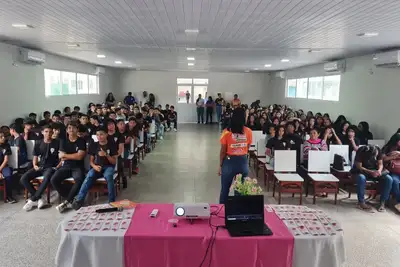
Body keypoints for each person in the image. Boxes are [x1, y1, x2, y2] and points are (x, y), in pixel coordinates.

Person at [72, 127, 118, 210]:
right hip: (97, 166)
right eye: (97, 135)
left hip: (109, 166)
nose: (99, 136)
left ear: (106, 134)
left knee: (109, 176)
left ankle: (112, 201)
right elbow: (91, 161)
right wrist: (94, 166)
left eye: (101, 134)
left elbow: (114, 162)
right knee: (89, 176)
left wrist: (106, 155)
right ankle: (79, 200)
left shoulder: (112, 144)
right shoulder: (94, 145)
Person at [21, 125, 61, 211]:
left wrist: (57, 166)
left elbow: (62, 157)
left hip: (51, 167)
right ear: (42, 132)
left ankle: (32, 200)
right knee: (23, 178)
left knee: (46, 178)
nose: (49, 134)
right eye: (46, 132)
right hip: (40, 166)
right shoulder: (38, 143)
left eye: (50, 132)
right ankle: (39, 198)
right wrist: (35, 165)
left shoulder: (57, 142)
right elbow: (35, 156)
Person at [51, 121, 86, 213]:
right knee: (54, 179)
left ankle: (66, 202)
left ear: (77, 129)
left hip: (77, 166)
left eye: (73, 128)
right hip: (65, 166)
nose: (71, 130)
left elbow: (80, 157)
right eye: (69, 128)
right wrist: (74, 155)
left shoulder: (81, 141)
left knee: (79, 180)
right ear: (66, 130)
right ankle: (70, 198)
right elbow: (60, 156)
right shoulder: (63, 141)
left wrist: (66, 155)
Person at [219, 108, 252, 204]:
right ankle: (238, 212)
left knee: (225, 190)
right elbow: (247, 147)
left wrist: (220, 165)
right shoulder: (249, 132)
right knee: (240, 190)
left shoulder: (226, 132)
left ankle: (222, 211)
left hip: (229, 161)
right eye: (246, 115)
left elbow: (223, 151)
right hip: (242, 162)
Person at [352, 145, 392, 212]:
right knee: (361, 178)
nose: (374, 158)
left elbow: (380, 163)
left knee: (389, 179)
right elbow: (359, 166)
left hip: (374, 171)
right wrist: (371, 172)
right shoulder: (361, 151)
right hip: (361, 171)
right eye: (373, 156)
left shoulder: (378, 149)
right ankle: (361, 202)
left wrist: (379, 171)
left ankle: (382, 202)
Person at [382, 134, 400, 212]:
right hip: (392, 171)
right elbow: (382, 159)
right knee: (395, 182)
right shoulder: (387, 148)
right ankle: (399, 202)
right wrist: (393, 156)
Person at [0, 132, 16, 203]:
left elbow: (6, 160)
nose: (3, 138)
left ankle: (9, 196)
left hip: (4, 166)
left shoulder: (6, 146)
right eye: (1, 137)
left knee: (8, 175)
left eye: (3, 136)